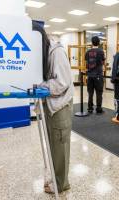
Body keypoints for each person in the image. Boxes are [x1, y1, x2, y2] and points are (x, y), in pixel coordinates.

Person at [33, 22, 74, 194]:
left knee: (60, 147)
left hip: (60, 107)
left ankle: (61, 184)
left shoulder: (56, 52)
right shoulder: (43, 52)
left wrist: (39, 85)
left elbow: (62, 83)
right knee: (53, 146)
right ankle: (56, 178)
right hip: (50, 106)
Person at [85, 36, 106, 114]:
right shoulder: (101, 51)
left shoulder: (88, 52)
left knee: (90, 93)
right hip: (98, 75)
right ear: (99, 42)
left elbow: (87, 63)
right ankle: (98, 108)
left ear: (91, 43)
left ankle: (90, 108)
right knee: (99, 93)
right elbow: (103, 62)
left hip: (90, 75)